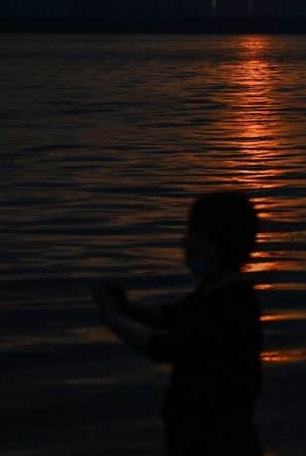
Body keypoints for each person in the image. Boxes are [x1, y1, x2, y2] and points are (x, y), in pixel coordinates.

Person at [93, 191, 263, 455]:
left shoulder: (233, 304)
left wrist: (113, 320)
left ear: (216, 244)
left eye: (193, 233)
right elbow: (174, 316)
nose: (184, 242)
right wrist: (128, 308)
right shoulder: (215, 291)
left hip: (216, 440)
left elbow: (167, 348)